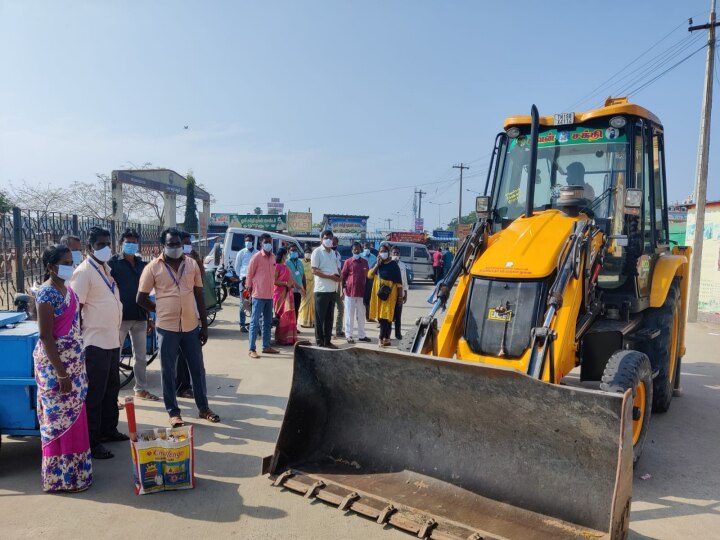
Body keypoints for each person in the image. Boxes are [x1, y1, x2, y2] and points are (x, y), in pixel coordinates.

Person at [137, 228, 219, 428]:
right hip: (166, 327)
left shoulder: (192, 265)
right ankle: (173, 412)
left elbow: (199, 295)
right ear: (162, 246)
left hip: (191, 326)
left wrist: (204, 325)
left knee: (197, 369)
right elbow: (140, 298)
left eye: (178, 244)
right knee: (168, 370)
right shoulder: (152, 267)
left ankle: (203, 408)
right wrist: (159, 308)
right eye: (171, 244)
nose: (175, 247)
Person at [34, 244, 93, 492]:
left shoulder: (67, 289)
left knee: (76, 417)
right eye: (65, 262)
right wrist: (61, 372)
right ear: (50, 267)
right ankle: (61, 479)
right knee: (58, 421)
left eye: (71, 261)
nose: (70, 265)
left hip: (74, 364)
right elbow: (46, 336)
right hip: (55, 367)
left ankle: (78, 475)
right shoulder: (46, 294)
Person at [71, 226, 126, 460]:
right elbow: (77, 308)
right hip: (94, 342)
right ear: (89, 247)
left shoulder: (105, 268)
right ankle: (92, 441)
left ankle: (108, 429)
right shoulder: (84, 272)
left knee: (112, 388)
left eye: (107, 244)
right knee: (95, 393)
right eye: (100, 245)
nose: (105, 248)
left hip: (112, 339)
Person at [108, 229, 158, 402]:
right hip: (119, 318)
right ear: (121, 243)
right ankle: (111, 395)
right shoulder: (112, 264)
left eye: (134, 242)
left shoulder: (141, 264)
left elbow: (145, 292)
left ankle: (141, 389)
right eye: (128, 241)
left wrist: (150, 317)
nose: (131, 244)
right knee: (114, 358)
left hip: (140, 316)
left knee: (141, 357)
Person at [245, 233, 280, 358]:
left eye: (270, 242)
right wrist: (248, 290)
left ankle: (266, 346)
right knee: (254, 322)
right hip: (258, 294)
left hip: (269, 295)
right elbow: (249, 274)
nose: (268, 244)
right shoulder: (256, 257)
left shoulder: (273, 257)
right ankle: (251, 349)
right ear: (261, 243)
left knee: (267, 322)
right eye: (266, 242)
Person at [368, 244, 403, 347]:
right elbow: (369, 275)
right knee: (383, 318)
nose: (383, 253)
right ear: (379, 253)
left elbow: (399, 283)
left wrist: (400, 297)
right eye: (381, 251)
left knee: (385, 317)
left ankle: (380, 338)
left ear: (388, 252)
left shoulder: (393, 265)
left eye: (385, 251)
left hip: (390, 296)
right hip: (378, 295)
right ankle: (387, 339)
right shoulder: (378, 263)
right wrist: (377, 265)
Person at [311, 230, 341, 348]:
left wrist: (340, 276)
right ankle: (320, 342)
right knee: (319, 318)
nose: (328, 239)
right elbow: (314, 270)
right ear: (321, 239)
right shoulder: (317, 252)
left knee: (329, 318)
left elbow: (337, 269)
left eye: (330, 237)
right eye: (326, 237)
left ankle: (327, 341)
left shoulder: (333, 253)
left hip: (332, 289)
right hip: (321, 290)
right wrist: (330, 277)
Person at [341, 242, 370, 344]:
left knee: (362, 315)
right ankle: (349, 335)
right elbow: (343, 277)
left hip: (362, 293)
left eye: (358, 249)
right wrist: (342, 290)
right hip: (350, 292)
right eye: (354, 249)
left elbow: (368, 277)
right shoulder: (348, 262)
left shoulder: (365, 262)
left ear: (360, 250)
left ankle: (362, 335)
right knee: (349, 314)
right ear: (352, 250)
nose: (356, 251)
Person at [273, 247, 298, 345]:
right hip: (279, 294)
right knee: (282, 316)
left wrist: (293, 285)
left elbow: (291, 279)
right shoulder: (277, 266)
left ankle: (289, 338)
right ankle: (281, 338)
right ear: (283, 255)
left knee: (289, 315)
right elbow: (274, 281)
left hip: (288, 293)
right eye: (286, 254)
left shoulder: (286, 266)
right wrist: (285, 284)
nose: (287, 256)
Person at [234, 234, 256, 332]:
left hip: (255, 283)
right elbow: (237, 267)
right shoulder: (241, 253)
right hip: (243, 282)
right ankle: (242, 324)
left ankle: (253, 324)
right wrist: (241, 277)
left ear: (253, 241)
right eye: (246, 240)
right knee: (243, 303)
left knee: (253, 304)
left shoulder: (257, 253)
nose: (248, 242)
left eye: (250, 240)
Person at [390, 246, 409, 340]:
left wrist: (405, 293)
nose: (396, 254)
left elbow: (404, 280)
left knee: (398, 315)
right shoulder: (388, 264)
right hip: (389, 294)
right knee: (389, 315)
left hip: (400, 294)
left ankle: (398, 334)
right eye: (394, 253)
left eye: (397, 253)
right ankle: (387, 334)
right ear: (391, 253)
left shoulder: (402, 265)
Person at [285, 244, 305, 322]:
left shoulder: (300, 262)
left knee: (296, 308)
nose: (294, 252)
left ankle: (294, 327)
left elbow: (303, 276)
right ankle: (288, 328)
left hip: (298, 290)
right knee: (289, 309)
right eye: (292, 250)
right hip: (289, 290)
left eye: (295, 250)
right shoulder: (286, 262)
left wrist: (304, 288)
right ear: (288, 252)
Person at [297, 247, 315, 328]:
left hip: (312, 285)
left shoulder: (313, 262)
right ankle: (303, 321)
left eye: (309, 252)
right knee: (304, 302)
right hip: (304, 284)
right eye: (306, 252)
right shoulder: (300, 262)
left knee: (312, 302)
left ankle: (312, 321)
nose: (308, 254)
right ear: (304, 253)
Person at [360, 242, 377, 322]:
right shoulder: (359, 256)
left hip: (370, 279)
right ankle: (359, 316)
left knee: (369, 298)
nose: (367, 248)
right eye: (366, 247)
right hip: (361, 278)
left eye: (368, 247)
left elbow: (375, 267)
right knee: (361, 298)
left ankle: (369, 316)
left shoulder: (374, 257)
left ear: (370, 248)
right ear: (363, 247)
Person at [332, 236, 344, 337]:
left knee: (341, 307)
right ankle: (326, 330)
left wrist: (341, 287)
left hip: (337, 285)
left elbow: (340, 270)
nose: (333, 244)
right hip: (328, 284)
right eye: (332, 242)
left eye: (335, 243)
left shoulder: (338, 254)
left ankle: (339, 330)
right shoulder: (324, 254)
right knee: (329, 309)